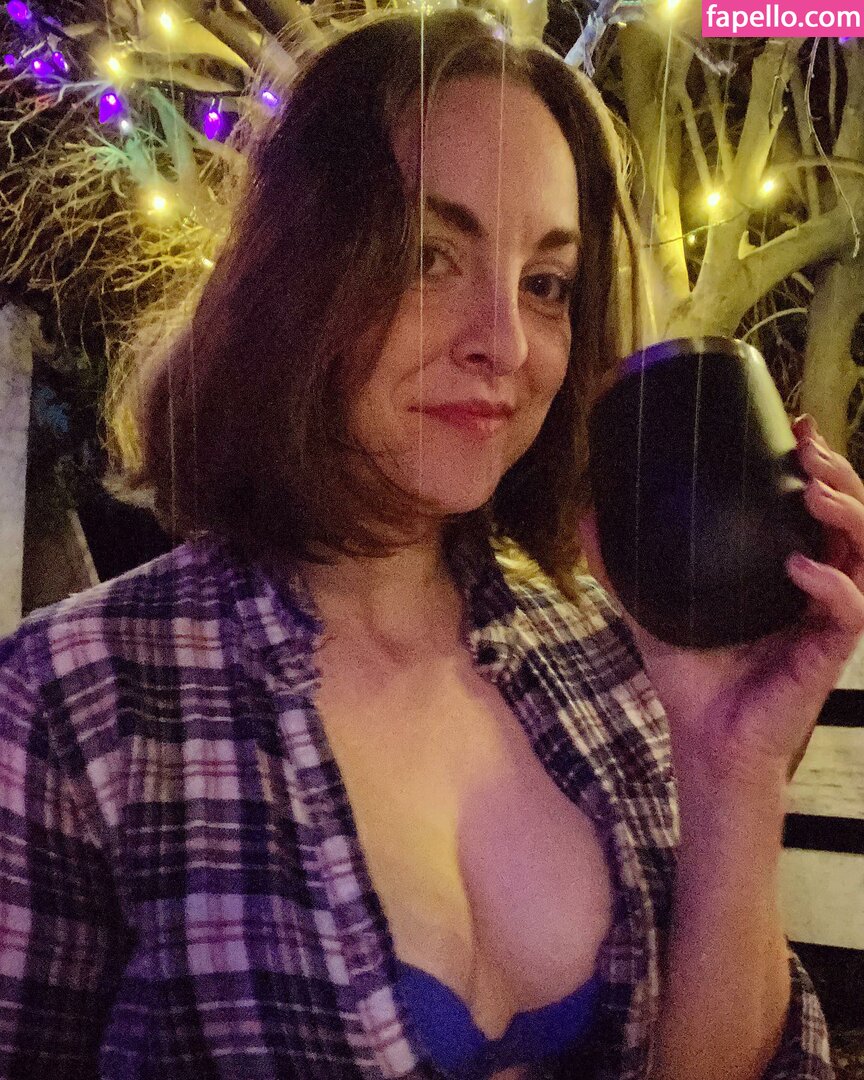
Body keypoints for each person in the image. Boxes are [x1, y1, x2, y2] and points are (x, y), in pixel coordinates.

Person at [1, 9, 861, 1079]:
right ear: (295, 274)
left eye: (545, 284)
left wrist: (735, 771)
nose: (505, 343)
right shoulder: (73, 706)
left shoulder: (610, 655)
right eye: (427, 256)